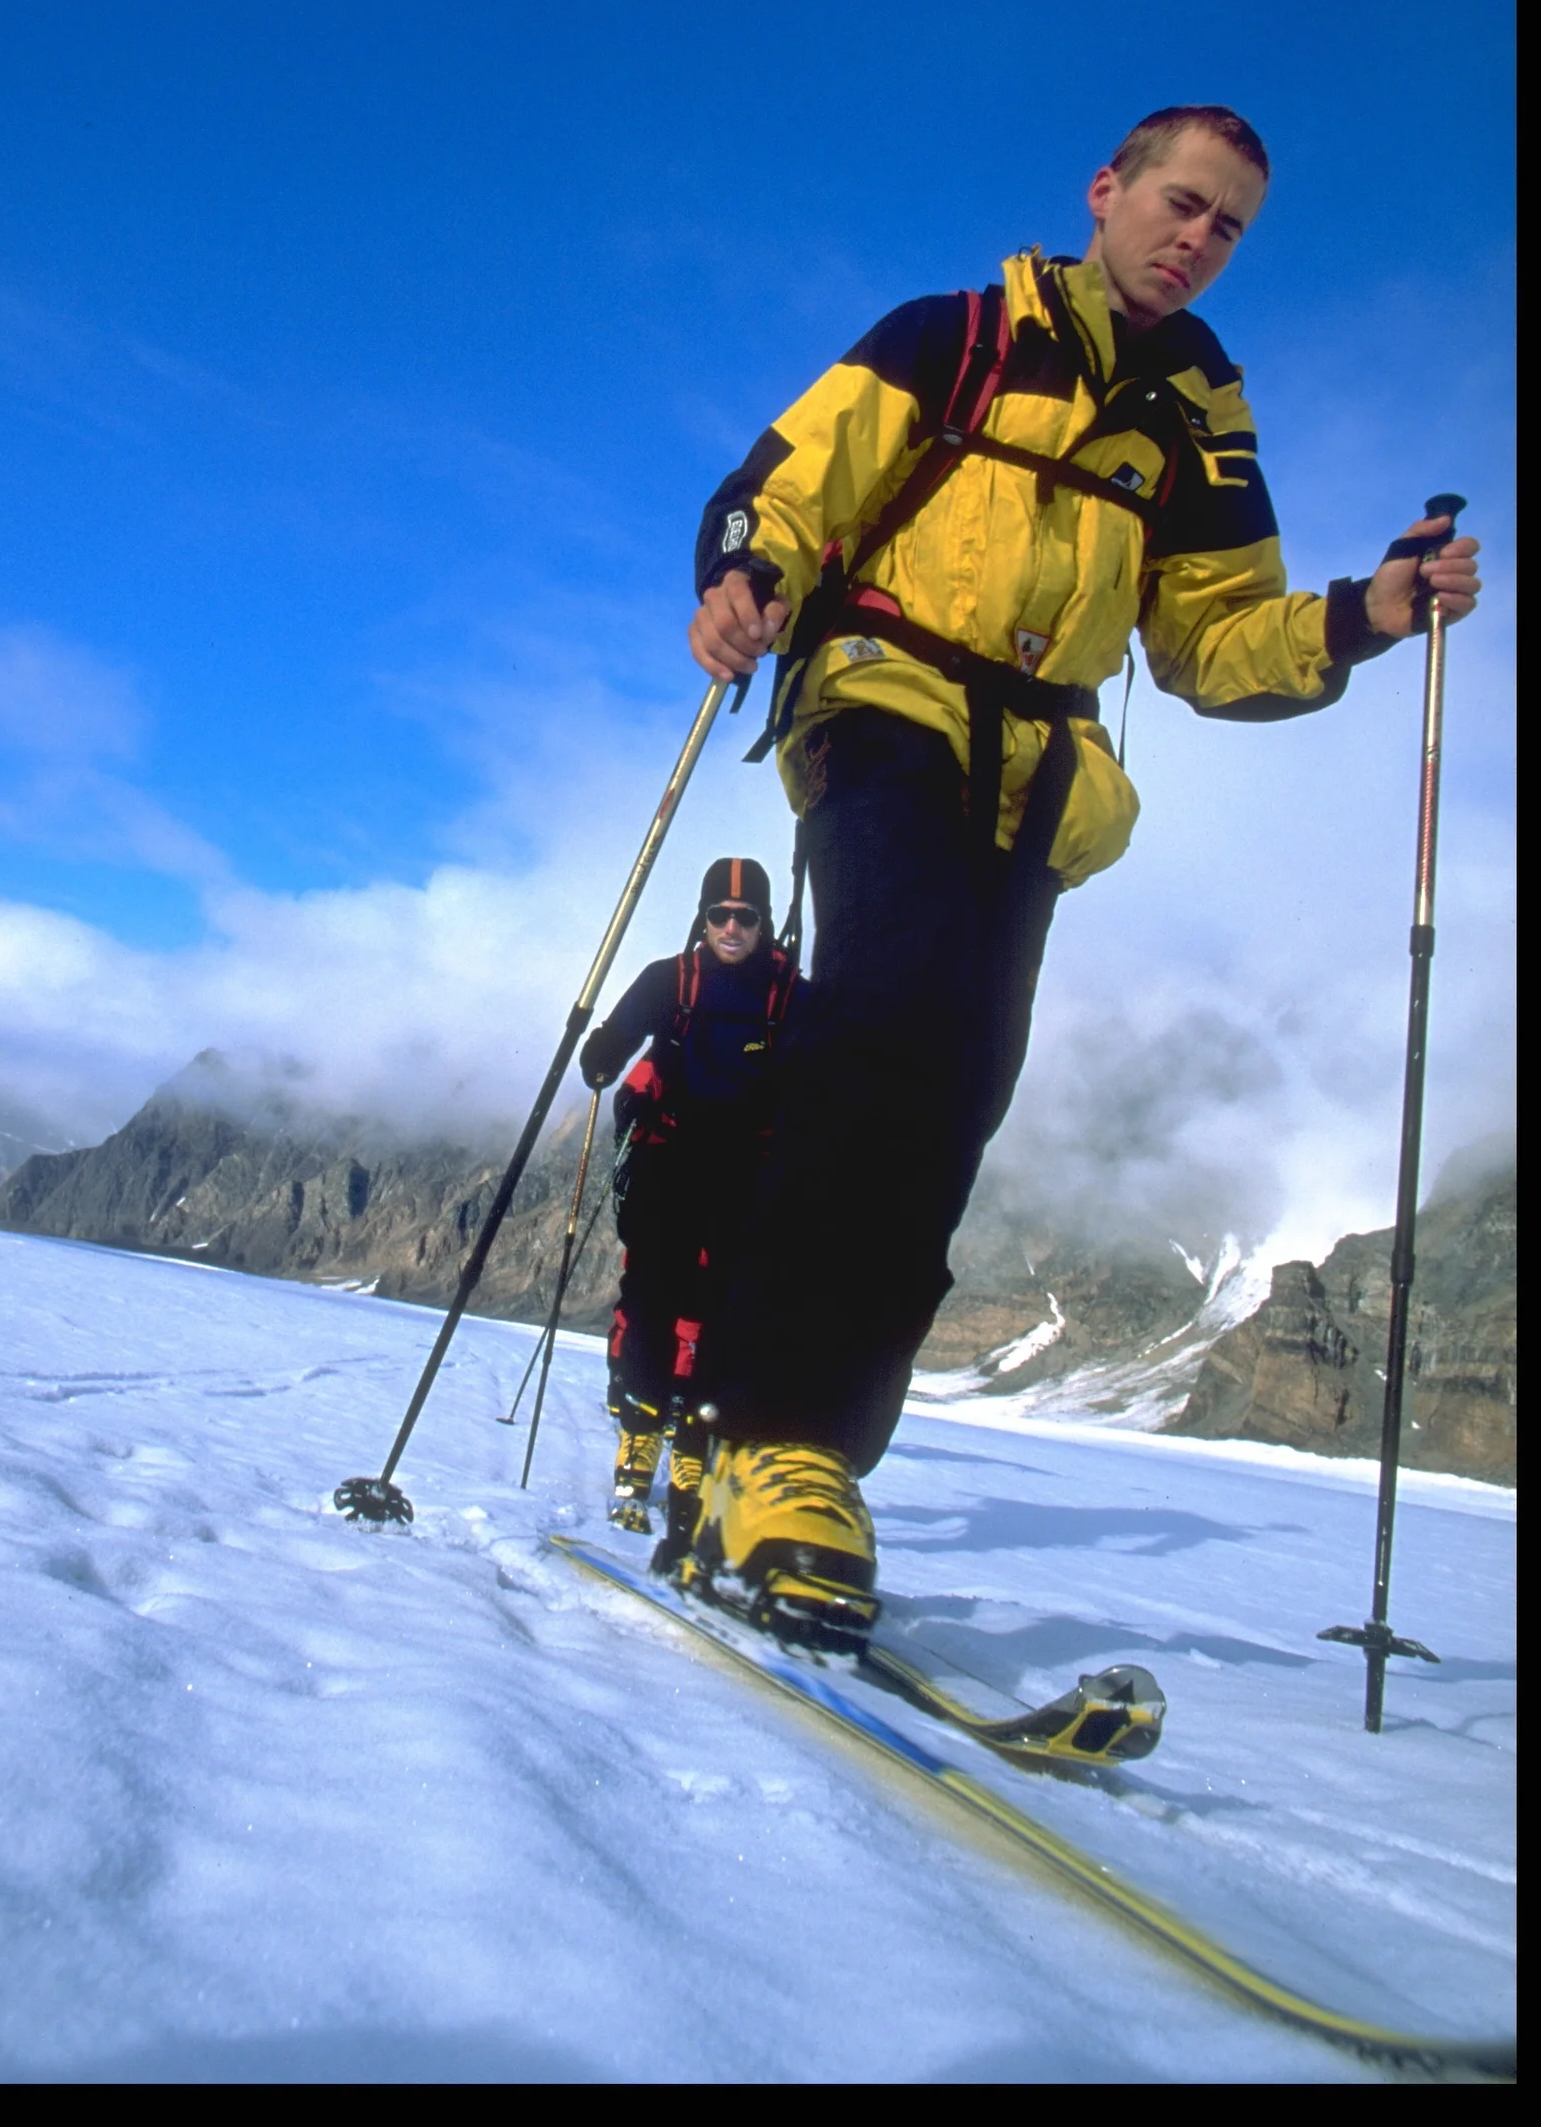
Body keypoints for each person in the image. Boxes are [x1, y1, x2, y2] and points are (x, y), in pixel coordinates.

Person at [678, 106, 1484, 1651]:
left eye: (1231, 225)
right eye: (1182, 204)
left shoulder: (1200, 414)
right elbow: (788, 477)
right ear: (1107, 193)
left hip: (1040, 776)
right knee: (887, 1020)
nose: (1199, 240)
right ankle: (771, 1435)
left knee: (958, 1088)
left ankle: (800, 1464)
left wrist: (1369, 613)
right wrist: (746, 573)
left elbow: (1211, 643)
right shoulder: (958, 334)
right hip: (886, 704)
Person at [579, 856, 802, 1567]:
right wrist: (599, 1054)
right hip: (669, 1162)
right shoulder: (668, 980)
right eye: (720, 915)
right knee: (650, 1298)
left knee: (716, 1316)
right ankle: (642, 1432)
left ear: (765, 925)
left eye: (746, 917)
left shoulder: (789, 993)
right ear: (702, 919)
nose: (732, 928)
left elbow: (829, 1067)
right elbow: (612, 1043)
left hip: (744, 1174)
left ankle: (693, 1447)